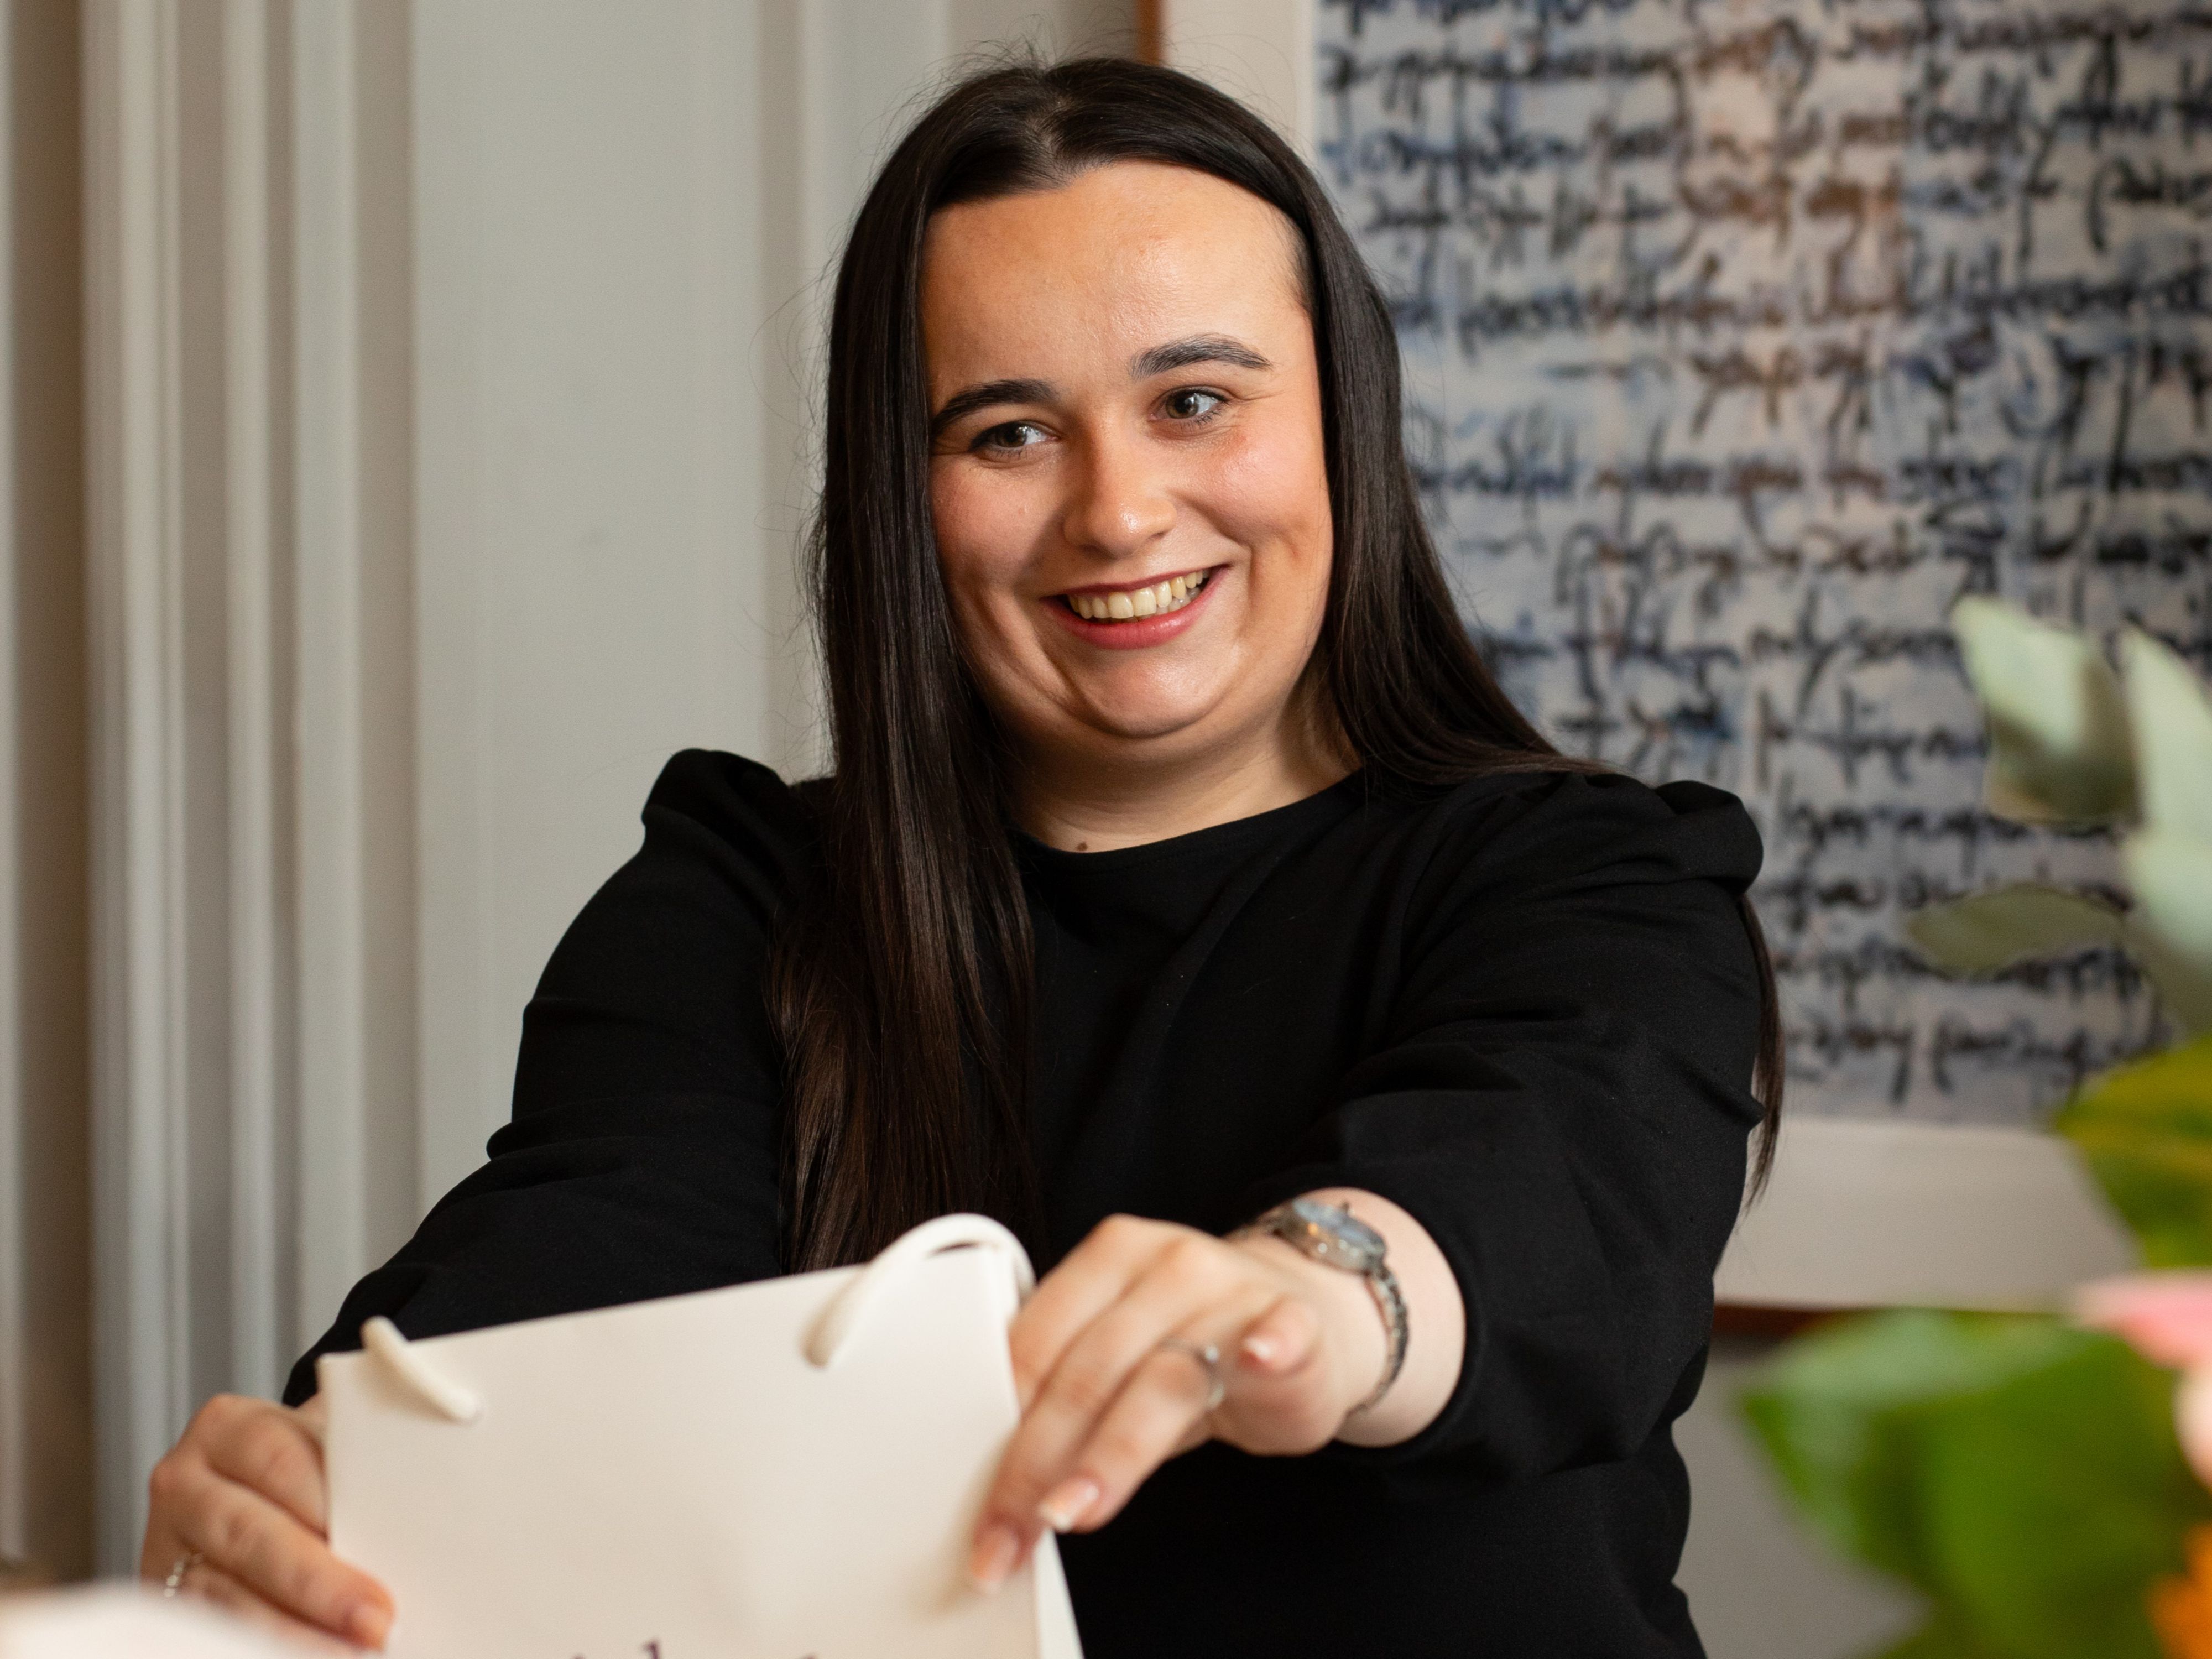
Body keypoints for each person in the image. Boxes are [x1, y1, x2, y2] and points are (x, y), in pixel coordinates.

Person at [139, 57, 1778, 1657]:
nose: (1119, 512)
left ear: (1345, 425)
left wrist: (1309, 1303)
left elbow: (1551, 1178)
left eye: (1195, 399)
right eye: (1006, 433)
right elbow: (582, 1258)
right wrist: (342, 1476)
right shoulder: (743, 899)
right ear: (898, 500)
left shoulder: (1596, 881)